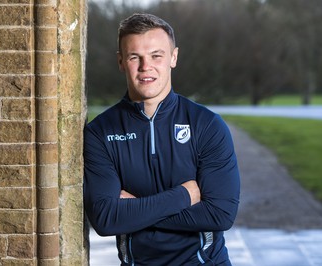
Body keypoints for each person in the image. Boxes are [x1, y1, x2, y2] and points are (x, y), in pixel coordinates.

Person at [84, 13, 240, 265]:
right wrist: (183, 196)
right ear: (121, 61)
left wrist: (136, 210)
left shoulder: (206, 125)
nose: (146, 67)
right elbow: (105, 219)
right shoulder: (100, 132)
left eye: (157, 55)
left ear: (173, 57)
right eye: (135, 57)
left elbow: (220, 214)